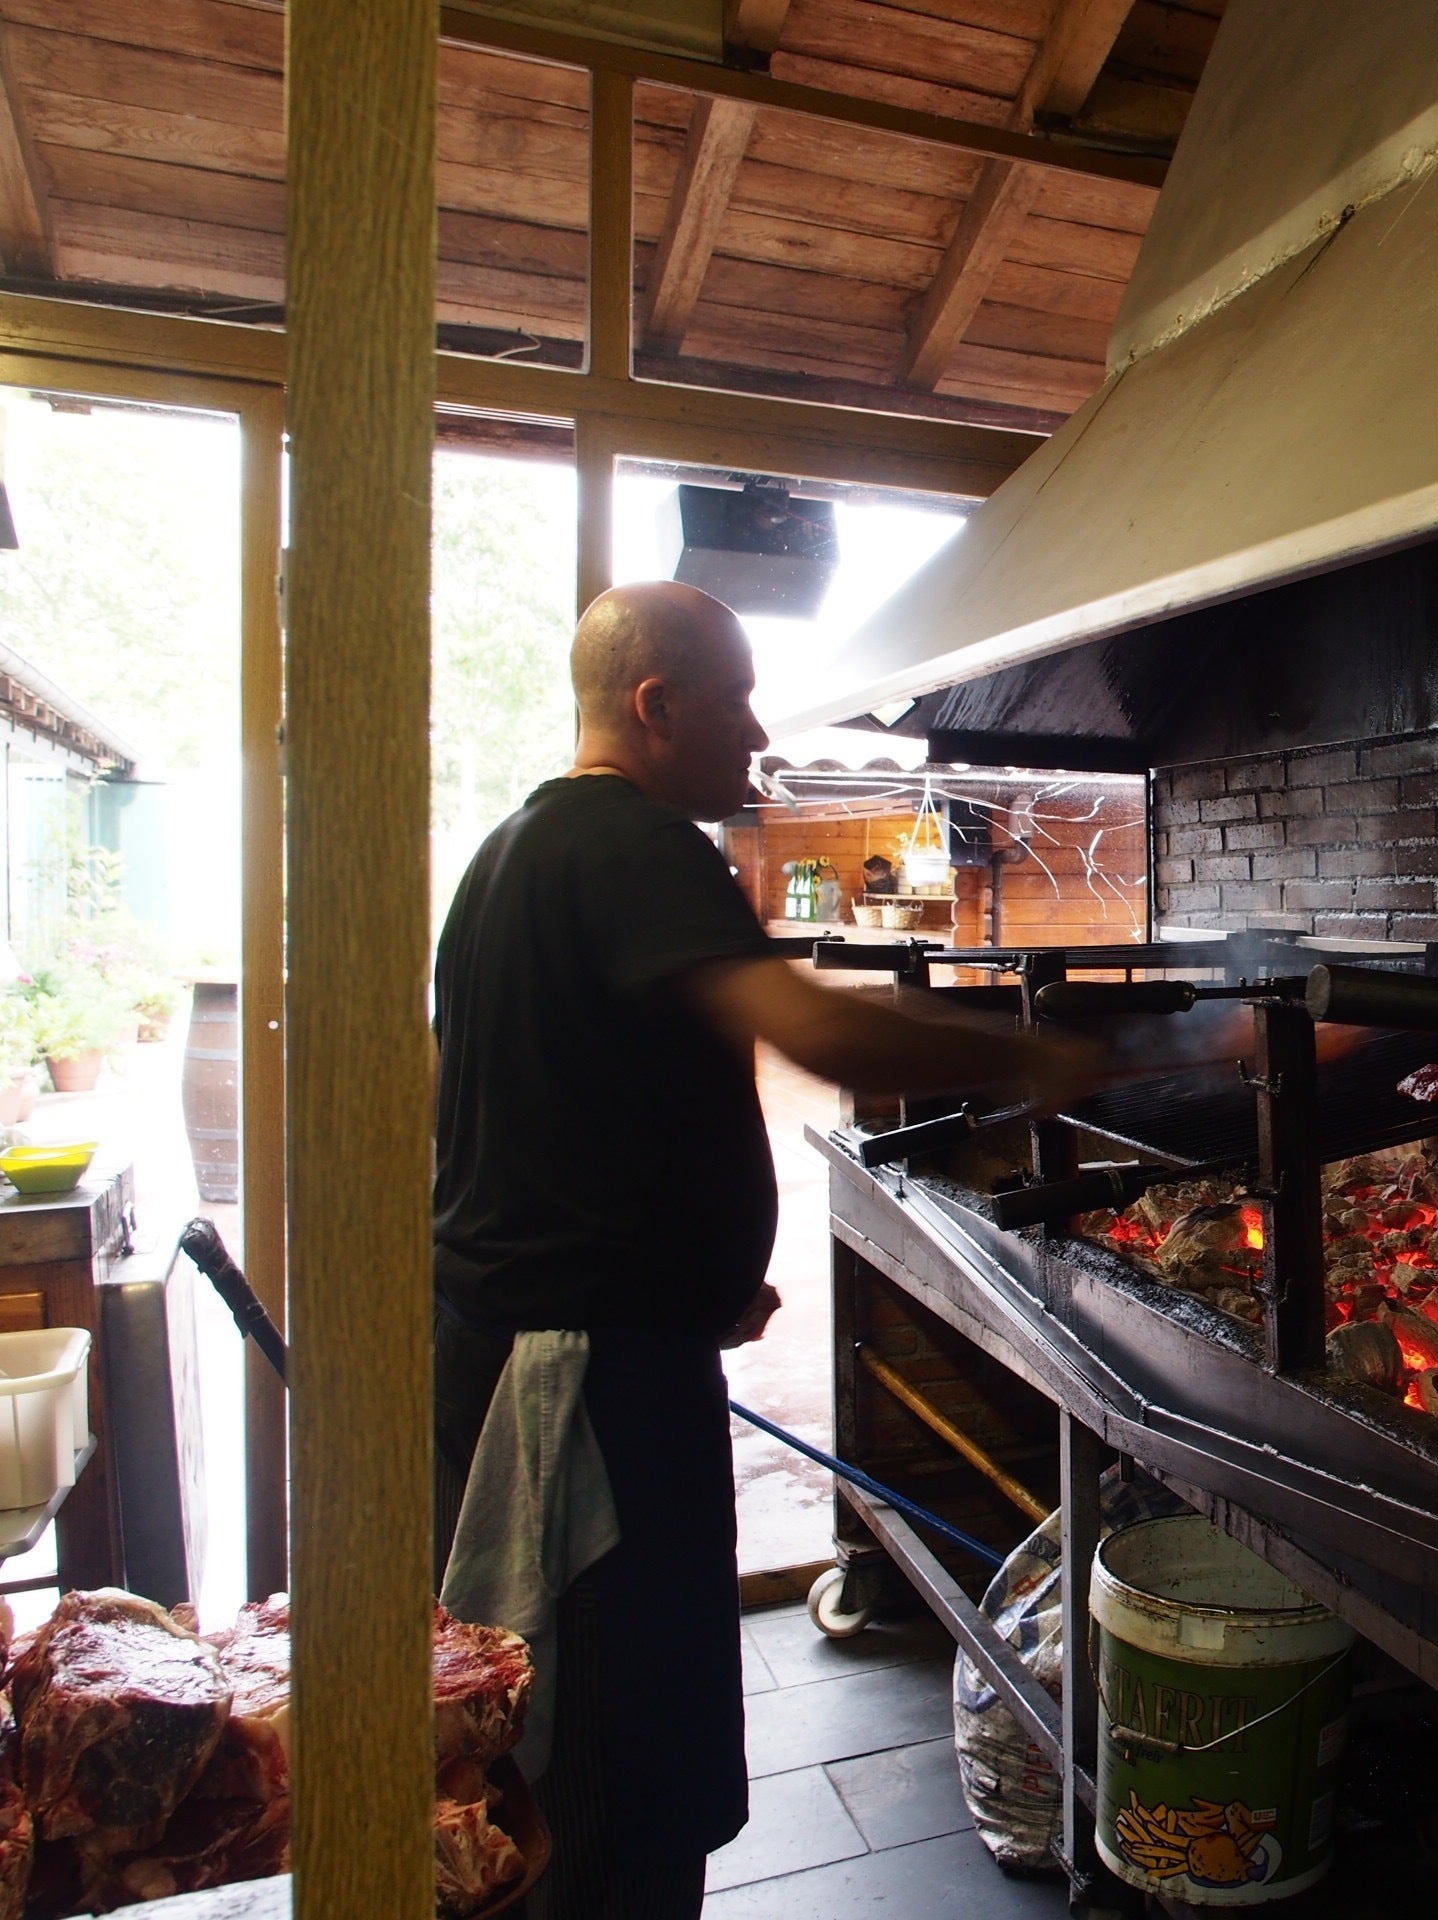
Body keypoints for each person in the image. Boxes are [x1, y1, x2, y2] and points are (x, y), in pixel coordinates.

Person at [430, 581, 1080, 1918]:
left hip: (566, 1350)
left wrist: (695, 1271)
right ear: (656, 706)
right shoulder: (636, 843)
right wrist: (1054, 1057)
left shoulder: (509, 855)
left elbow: (548, 1106)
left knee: (564, 1745)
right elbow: (818, 1030)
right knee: (617, 1776)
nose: (759, 731)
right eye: (735, 698)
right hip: (586, 1389)